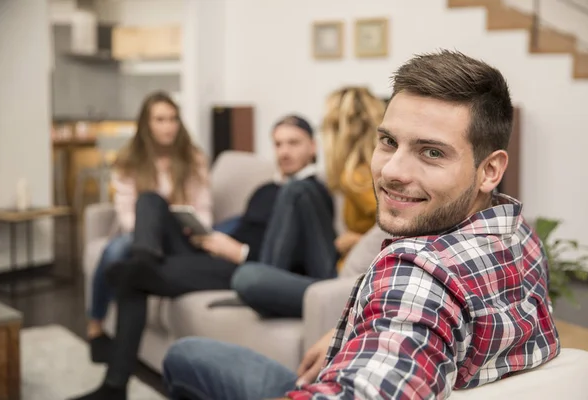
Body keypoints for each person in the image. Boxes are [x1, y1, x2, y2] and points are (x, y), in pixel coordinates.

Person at [162, 50, 560, 400]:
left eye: (432, 152)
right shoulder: (516, 231)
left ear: (490, 170)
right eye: (388, 141)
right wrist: (345, 332)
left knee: (186, 355)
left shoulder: (416, 275)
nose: (392, 170)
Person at [69, 114, 334, 400]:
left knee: (130, 276)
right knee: (149, 200)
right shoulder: (265, 189)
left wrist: (239, 252)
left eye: (293, 143)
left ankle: (114, 387)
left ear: (313, 147)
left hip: (238, 268)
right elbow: (244, 225)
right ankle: (144, 257)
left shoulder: (309, 194)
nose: (284, 151)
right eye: (278, 144)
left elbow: (287, 261)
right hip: (215, 253)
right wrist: (206, 235)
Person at [231, 87, 384, 318]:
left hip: (338, 280)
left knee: (297, 190)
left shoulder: (359, 178)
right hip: (333, 267)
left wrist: (358, 239)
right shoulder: (351, 174)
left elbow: (403, 229)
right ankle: (268, 281)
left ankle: (268, 282)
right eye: (279, 144)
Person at [86, 91, 212, 364]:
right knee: (115, 251)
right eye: (160, 119)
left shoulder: (193, 157)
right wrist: (147, 232)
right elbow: (126, 210)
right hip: (140, 234)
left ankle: (143, 269)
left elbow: (203, 207)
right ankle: (95, 325)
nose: (168, 126)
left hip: (178, 234)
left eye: (173, 119)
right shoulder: (130, 158)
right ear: (147, 124)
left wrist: (199, 227)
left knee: (148, 216)